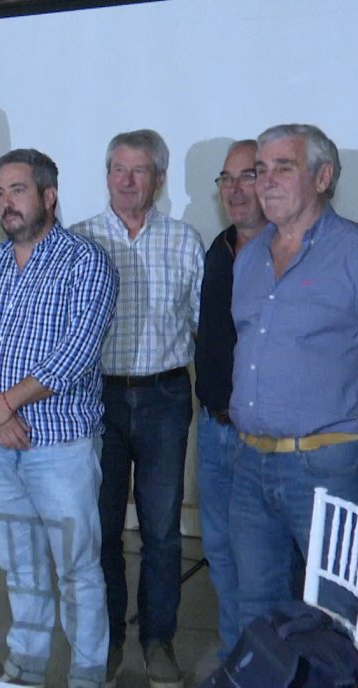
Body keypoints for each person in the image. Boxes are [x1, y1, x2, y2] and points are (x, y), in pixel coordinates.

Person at [0, 149, 116, 688]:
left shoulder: (85, 261)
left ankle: (88, 673)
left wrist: (7, 403)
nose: (6, 203)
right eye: (0, 192)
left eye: (18, 190)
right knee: (19, 565)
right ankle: (25, 665)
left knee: (75, 570)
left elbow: (76, 353)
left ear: (49, 195)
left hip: (60, 449)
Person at [72, 129, 204, 688]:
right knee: (100, 529)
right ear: (106, 176)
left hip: (165, 396)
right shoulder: (77, 241)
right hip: (96, 398)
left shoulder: (184, 241)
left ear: (159, 178)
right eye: (118, 170)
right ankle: (108, 641)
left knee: (162, 530)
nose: (128, 181)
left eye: (140, 170)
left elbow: (203, 327)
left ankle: (158, 640)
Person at [229, 124, 358, 632]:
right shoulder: (250, 256)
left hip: (326, 469)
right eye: (262, 169)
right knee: (255, 612)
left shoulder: (351, 252)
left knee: (336, 616)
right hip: (248, 464)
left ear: (323, 177)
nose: (267, 181)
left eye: (285, 167)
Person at [194, 141, 266, 659]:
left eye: (248, 176)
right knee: (219, 552)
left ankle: (271, 664)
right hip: (213, 431)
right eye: (227, 179)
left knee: (265, 562)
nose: (235, 190)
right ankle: (235, 660)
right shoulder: (216, 249)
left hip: (264, 441)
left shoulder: (290, 250)